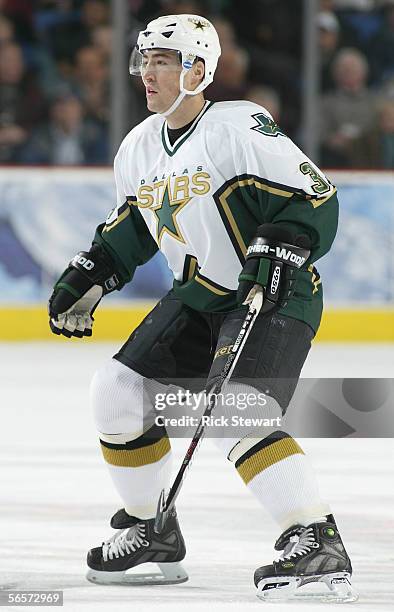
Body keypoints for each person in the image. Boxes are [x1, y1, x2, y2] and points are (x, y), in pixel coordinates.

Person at [48, 14, 357, 602]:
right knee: (115, 391)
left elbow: (315, 198)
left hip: (274, 294)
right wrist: (95, 271)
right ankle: (151, 530)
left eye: (162, 60)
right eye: (144, 60)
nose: (147, 73)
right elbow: (134, 229)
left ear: (198, 68)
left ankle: (315, 539)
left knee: (235, 412)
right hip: (200, 297)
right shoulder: (138, 146)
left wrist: (287, 242)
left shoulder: (237, 126)